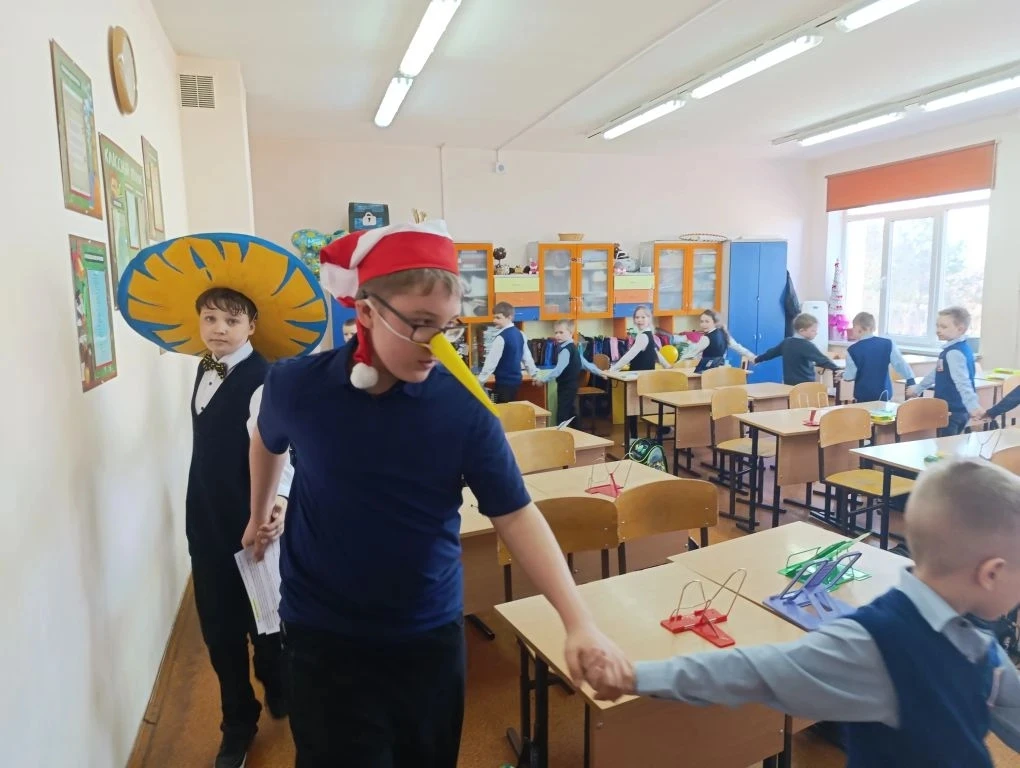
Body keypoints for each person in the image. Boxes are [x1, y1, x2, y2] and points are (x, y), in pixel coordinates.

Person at [245, 221, 629, 768]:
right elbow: (267, 440)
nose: (437, 345)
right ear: (367, 311)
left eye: (447, 326)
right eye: (420, 324)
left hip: (426, 633)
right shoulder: (296, 384)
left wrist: (578, 621)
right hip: (322, 633)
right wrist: (259, 512)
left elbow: (516, 515)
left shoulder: (464, 408)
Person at [587, 458, 1020, 767]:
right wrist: (635, 677)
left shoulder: (980, 646)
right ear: (991, 573)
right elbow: (747, 671)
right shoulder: (877, 644)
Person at [116, 234, 329, 768]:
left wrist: (278, 503)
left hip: (254, 519)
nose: (218, 329)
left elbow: (283, 449)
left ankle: (277, 682)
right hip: (206, 520)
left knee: (268, 620)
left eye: (231, 321)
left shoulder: (264, 379)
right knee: (219, 628)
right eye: (210, 318)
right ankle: (238, 722)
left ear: (251, 326)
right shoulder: (204, 367)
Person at [907, 306, 980, 435]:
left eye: (944, 327)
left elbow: (963, 382)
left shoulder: (953, 353)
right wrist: (918, 389)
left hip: (952, 411)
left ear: (960, 329)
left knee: (946, 446)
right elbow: (937, 372)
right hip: (953, 410)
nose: (938, 330)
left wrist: (973, 407)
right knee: (950, 444)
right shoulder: (957, 349)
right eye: (937, 326)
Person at [536, 319, 605, 424]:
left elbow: (558, 370)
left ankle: (561, 433)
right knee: (571, 414)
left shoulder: (565, 350)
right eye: (556, 332)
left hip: (566, 387)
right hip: (572, 386)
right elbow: (586, 364)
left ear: (570, 333)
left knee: (562, 415)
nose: (557, 335)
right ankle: (577, 432)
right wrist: (600, 372)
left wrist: (542, 380)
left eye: (561, 332)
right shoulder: (573, 348)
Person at [843, 311, 915, 402]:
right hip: (884, 393)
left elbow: (849, 377)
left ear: (859, 328)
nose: (852, 329)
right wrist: (910, 380)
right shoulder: (888, 344)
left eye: (853, 326)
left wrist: (843, 374)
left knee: (864, 411)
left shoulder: (852, 350)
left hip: (863, 395)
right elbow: (900, 364)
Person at [476, 301, 539, 403]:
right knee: (509, 407)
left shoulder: (501, 338)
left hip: (504, 383)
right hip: (516, 382)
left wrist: (480, 382)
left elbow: (491, 363)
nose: (494, 320)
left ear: (509, 317)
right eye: (494, 317)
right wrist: (534, 375)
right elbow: (527, 358)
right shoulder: (520, 334)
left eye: (498, 318)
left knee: (503, 410)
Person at [753, 312, 840, 386]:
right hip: (805, 384)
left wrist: (757, 359)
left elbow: (771, 353)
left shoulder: (786, 342)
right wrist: (837, 369)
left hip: (789, 384)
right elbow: (822, 360)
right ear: (802, 331)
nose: (816, 333)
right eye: (813, 330)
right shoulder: (807, 345)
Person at [677, 309, 754, 372]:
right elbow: (738, 347)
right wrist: (753, 357)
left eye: (707, 321)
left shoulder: (706, 338)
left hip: (707, 373)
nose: (703, 324)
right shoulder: (724, 333)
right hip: (721, 371)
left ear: (715, 322)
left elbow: (690, 354)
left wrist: (675, 364)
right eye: (701, 321)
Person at [608, 305, 672, 373]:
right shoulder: (649, 333)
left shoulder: (643, 336)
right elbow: (655, 352)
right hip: (648, 375)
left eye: (643, 317)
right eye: (637, 317)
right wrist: (667, 365)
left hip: (639, 375)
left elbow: (629, 355)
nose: (639, 320)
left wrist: (612, 370)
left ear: (649, 319)